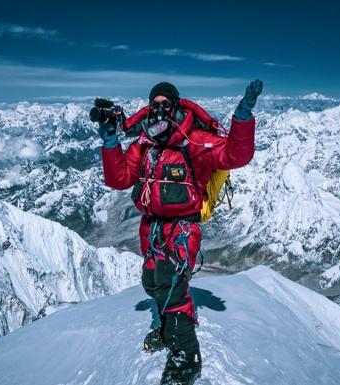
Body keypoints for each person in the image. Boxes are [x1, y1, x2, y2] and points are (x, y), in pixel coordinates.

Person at [97, 80, 262, 385]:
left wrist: (243, 117)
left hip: (183, 228)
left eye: (164, 103)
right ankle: (164, 328)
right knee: (153, 283)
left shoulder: (194, 140)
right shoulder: (144, 145)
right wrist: (110, 144)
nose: (158, 109)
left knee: (172, 287)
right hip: (151, 227)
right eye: (154, 103)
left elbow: (234, 156)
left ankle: (186, 360)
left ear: (175, 107)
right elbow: (120, 179)